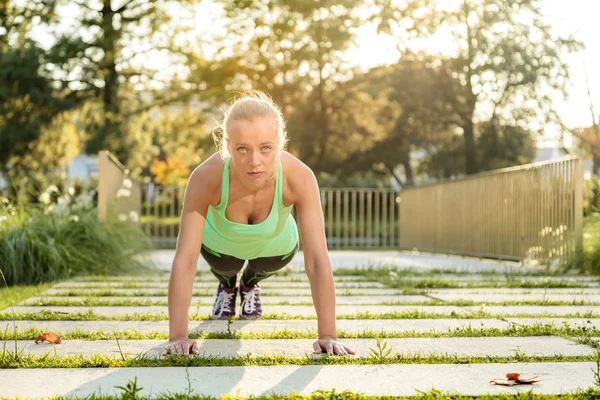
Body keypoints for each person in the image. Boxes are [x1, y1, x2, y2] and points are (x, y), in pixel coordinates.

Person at [162, 91, 355, 358]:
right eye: (242, 149)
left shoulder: (299, 177)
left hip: (275, 248)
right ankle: (227, 286)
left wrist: (328, 335)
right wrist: (178, 337)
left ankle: (250, 284)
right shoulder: (206, 177)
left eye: (266, 148)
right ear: (228, 147)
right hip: (220, 247)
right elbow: (185, 259)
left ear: (280, 142)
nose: (255, 162)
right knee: (227, 267)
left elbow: (317, 261)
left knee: (260, 268)